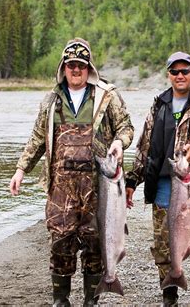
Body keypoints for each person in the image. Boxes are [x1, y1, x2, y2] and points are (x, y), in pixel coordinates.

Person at [9, 38, 134, 306]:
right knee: (60, 245)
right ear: (63, 67)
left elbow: (126, 128)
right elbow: (37, 139)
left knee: (95, 246)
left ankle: (92, 301)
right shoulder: (51, 101)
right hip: (60, 189)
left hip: (98, 187)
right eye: (71, 65)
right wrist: (21, 170)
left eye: (81, 65)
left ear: (89, 67)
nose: (76, 70)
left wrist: (118, 142)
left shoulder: (106, 96)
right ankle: (60, 301)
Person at [125, 52, 190, 306]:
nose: (180, 76)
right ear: (168, 75)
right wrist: (131, 181)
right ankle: (169, 298)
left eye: (185, 71)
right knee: (164, 250)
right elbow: (145, 148)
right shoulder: (159, 105)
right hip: (163, 189)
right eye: (175, 72)